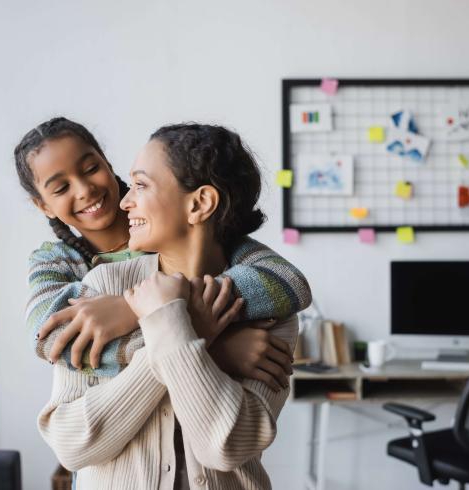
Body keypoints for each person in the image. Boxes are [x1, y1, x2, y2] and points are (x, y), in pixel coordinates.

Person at [38, 123, 302, 489]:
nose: (125, 200)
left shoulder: (268, 308)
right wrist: (199, 336)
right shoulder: (100, 289)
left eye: (142, 185)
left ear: (199, 203)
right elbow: (73, 445)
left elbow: (226, 446)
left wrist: (172, 322)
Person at [16, 118, 311, 390]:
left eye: (91, 168)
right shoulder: (54, 262)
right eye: (61, 187)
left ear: (107, 162)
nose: (83, 190)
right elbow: (51, 338)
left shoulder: (176, 230)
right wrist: (208, 347)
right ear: (42, 205)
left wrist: (133, 308)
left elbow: (287, 282)